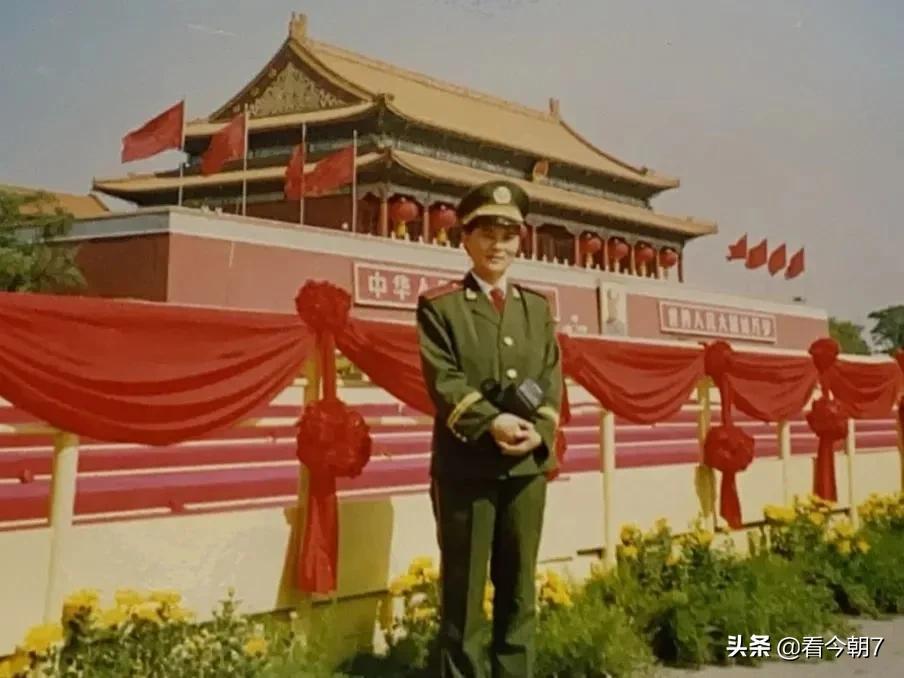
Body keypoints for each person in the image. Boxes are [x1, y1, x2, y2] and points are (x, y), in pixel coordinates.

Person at [416, 180, 563, 678]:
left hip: (525, 470)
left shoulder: (536, 309)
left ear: (520, 242)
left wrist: (540, 431)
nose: (498, 246)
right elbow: (444, 379)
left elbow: (550, 377)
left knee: (519, 591)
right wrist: (491, 420)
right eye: (487, 235)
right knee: (463, 595)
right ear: (465, 238)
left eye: (508, 236)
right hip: (467, 467)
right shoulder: (441, 307)